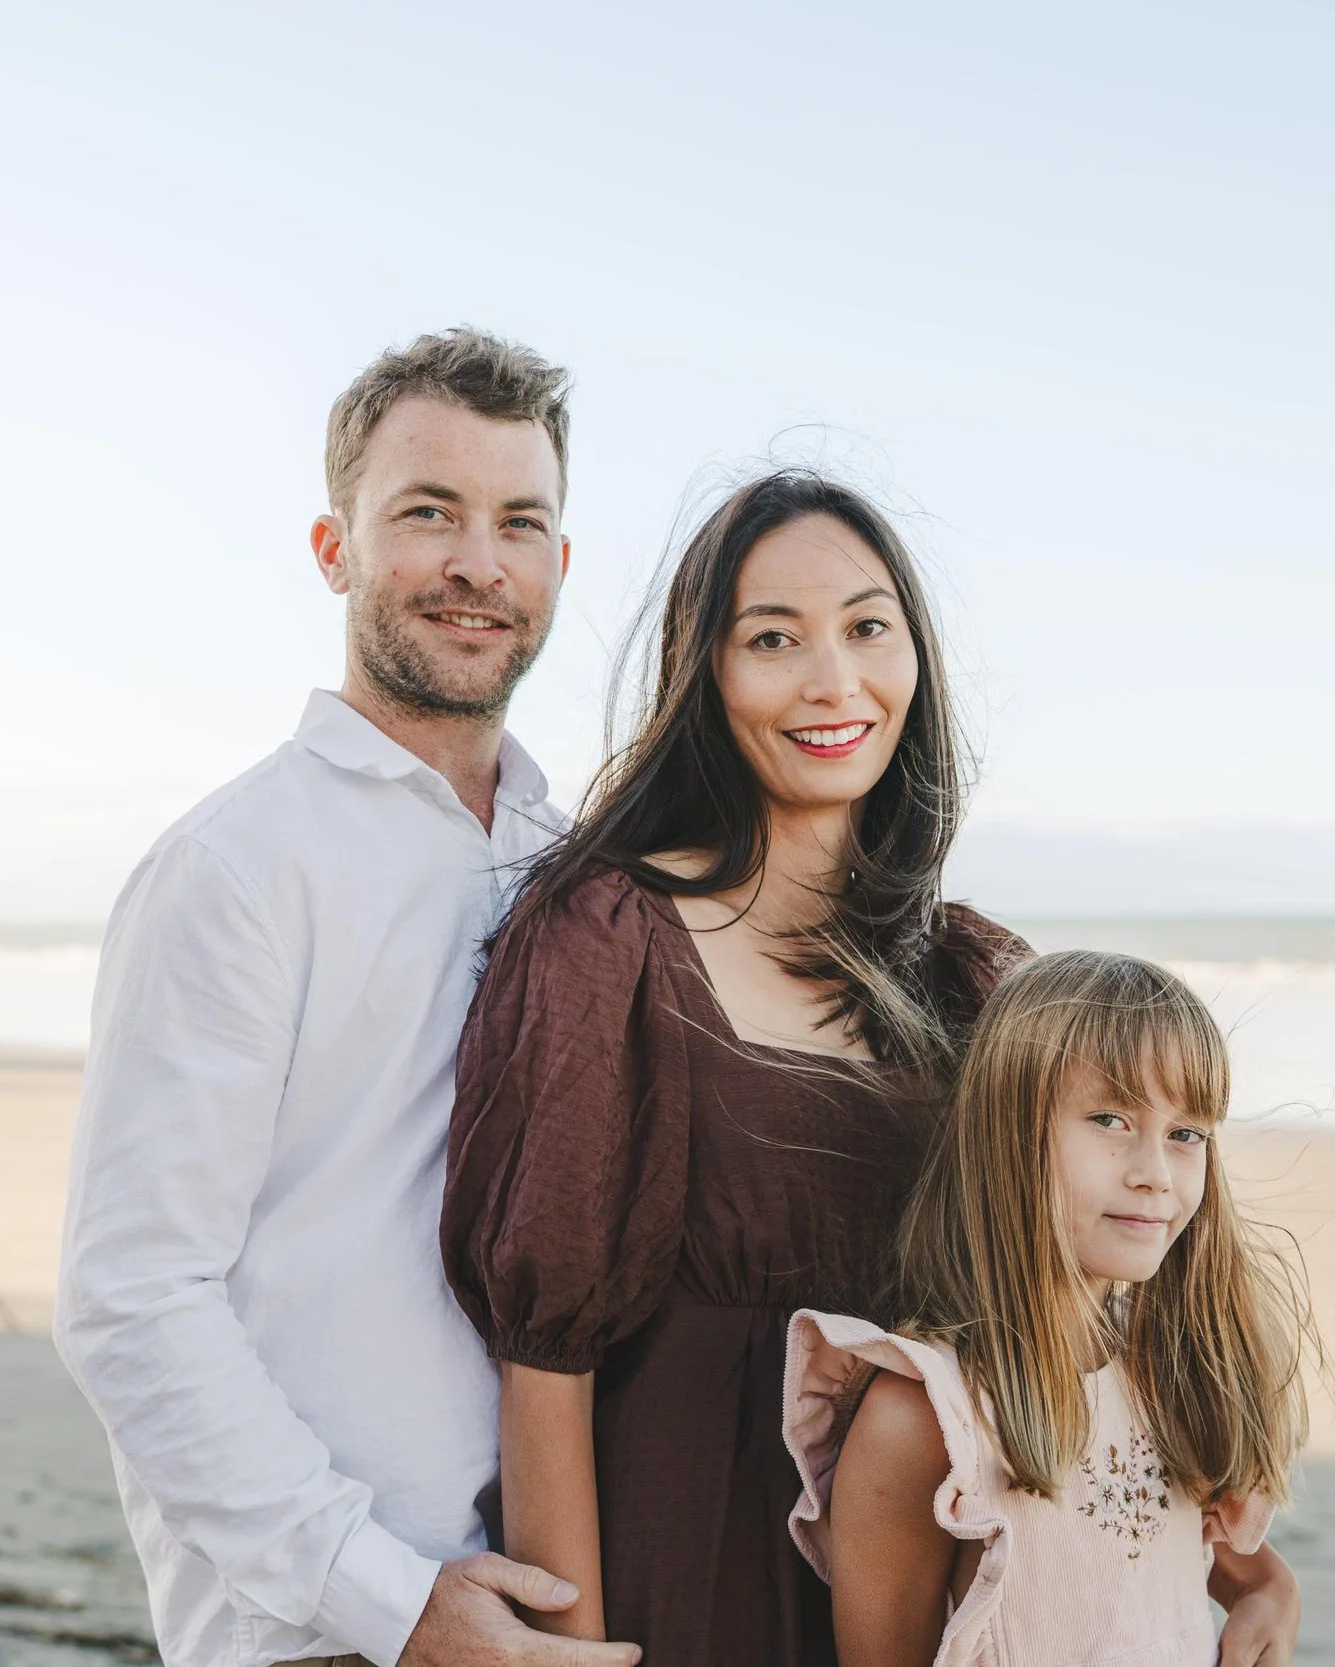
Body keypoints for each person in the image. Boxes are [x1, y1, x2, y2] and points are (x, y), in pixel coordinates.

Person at [53, 328, 638, 1667]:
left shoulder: (574, 865)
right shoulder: (237, 866)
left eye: (519, 522)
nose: (478, 564)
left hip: (556, 1597)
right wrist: (391, 1599)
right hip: (328, 1631)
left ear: (558, 564)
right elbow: (129, 1294)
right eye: (427, 514)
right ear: (336, 550)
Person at [441, 469, 1029, 1666]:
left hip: (931, 1582)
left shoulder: (969, 976)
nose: (833, 679)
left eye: (868, 626)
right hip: (694, 1567)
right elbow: (543, 1363)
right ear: (703, 673)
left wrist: (1247, 1563)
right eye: (774, 638)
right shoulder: (607, 938)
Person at [784, 950, 1317, 1667]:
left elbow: (1224, 1565)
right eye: (1110, 1118)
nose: (1155, 1174)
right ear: (1009, 1135)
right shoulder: (926, 1419)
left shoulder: (1167, 1369)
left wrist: (1272, 1594)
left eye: (1185, 1133)